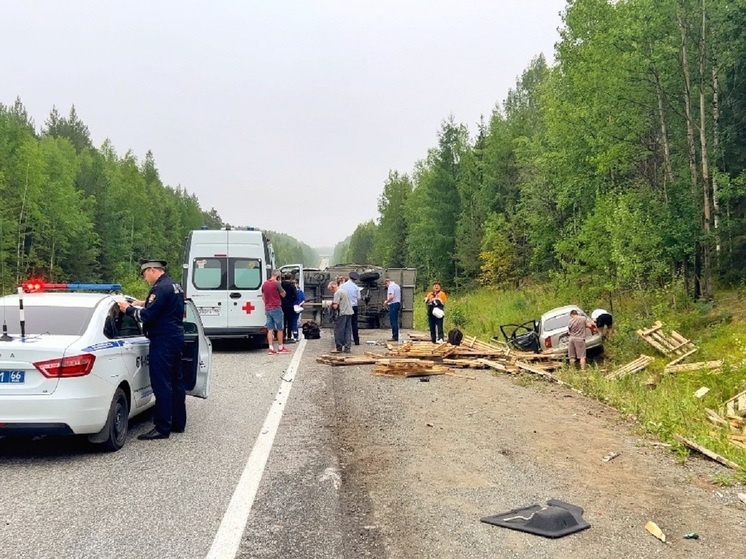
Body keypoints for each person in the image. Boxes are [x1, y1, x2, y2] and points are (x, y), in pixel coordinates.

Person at [117, 259, 185, 441]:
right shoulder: (174, 285)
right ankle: (178, 423)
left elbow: (147, 316)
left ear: (153, 270)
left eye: (145, 274)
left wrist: (128, 309)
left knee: (161, 383)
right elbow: (165, 308)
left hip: (163, 340)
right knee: (176, 382)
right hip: (176, 338)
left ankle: (162, 428)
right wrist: (143, 302)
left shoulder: (160, 288)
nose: (145, 278)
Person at [261, 269, 291, 355]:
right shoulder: (277, 283)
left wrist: (267, 304)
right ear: (278, 276)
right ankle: (280, 347)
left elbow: (263, 297)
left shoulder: (265, 284)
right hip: (276, 308)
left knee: (270, 329)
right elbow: (283, 294)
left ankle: (271, 348)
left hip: (267, 308)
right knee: (280, 329)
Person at [328, 280, 353, 353]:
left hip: (342, 313)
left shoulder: (337, 293)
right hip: (349, 312)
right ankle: (347, 347)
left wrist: (330, 305)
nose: (331, 292)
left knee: (339, 330)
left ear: (333, 287)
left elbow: (335, 306)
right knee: (347, 331)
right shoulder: (344, 291)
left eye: (330, 290)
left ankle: (338, 347)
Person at [341, 271, 361, 345]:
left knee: (345, 324)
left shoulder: (343, 286)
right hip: (354, 306)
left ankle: (344, 340)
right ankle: (356, 340)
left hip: (345, 306)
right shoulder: (356, 287)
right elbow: (359, 298)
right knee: (354, 323)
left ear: (349, 277)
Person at [280, 273, 298, 343]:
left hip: (282, 305)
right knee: (290, 321)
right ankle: (289, 337)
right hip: (290, 305)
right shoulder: (292, 286)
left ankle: (283, 336)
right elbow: (295, 296)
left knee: (283, 321)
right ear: (290, 278)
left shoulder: (281, 285)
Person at [383, 277, 402, 342]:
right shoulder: (397, 286)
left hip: (393, 304)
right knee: (395, 321)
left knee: (393, 321)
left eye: (386, 285)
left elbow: (391, 296)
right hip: (397, 304)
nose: (386, 286)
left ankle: (395, 336)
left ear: (387, 282)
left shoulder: (391, 287)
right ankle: (395, 335)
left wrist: (386, 302)